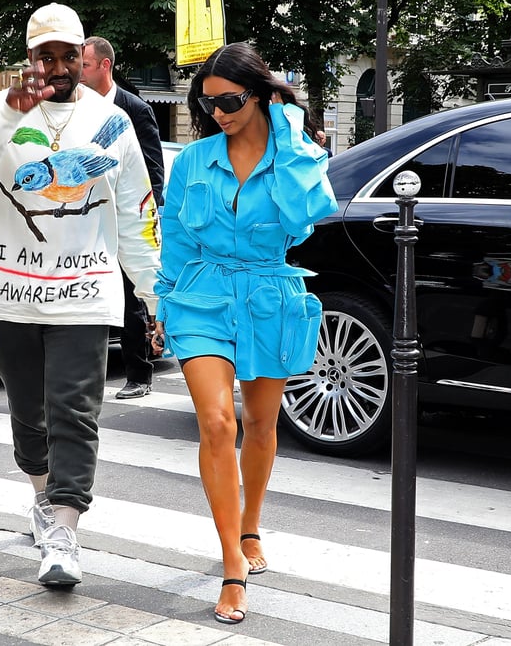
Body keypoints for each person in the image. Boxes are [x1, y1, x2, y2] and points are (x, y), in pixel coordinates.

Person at [0, 3, 160, 586]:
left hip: (86, 291)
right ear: (30, 58)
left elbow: (137, 213)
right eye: (46, 56)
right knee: (28, 414)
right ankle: (40, 494)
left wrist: (152, 294)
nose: (58, 67)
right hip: (10, 292)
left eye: (68, 56)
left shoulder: (113, 122)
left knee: (75, 411)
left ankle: (64, 531)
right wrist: (10, 116)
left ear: (84, 58)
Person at [153, 42, 338, 625]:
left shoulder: (296, 156)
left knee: (261, 423)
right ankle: (233, 562)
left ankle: (251, 526)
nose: (218, 114)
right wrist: (163, 304)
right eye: (208, 105)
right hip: (200, 296)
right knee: (216, 421)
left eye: (230, 101)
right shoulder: (192, 161)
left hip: (266, 296)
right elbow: (177, 238)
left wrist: (285, 126)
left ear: (257, 95)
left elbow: (303, 217)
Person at [81, 36, 165, 400]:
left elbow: (152, 168)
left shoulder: (133, 108)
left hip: (126, 216)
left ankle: (139, 375)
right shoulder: (74, 108)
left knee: (132, 298)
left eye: (83, 65)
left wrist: (149, 217)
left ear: (104, 66)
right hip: (88, 219)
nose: (77, 72)